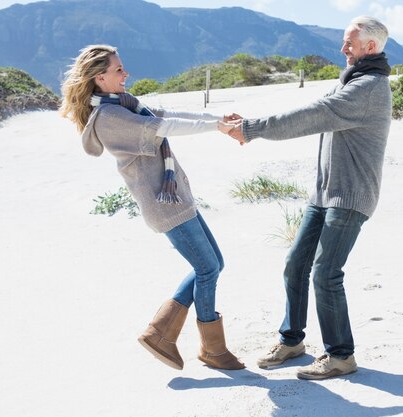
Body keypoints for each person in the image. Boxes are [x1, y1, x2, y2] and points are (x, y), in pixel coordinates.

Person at [226, 16, 392, 380]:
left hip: (349, 196)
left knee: (325, 274)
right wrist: (250, 122)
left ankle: (340, 356)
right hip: (325, 193)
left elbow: (313, 115)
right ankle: (292, 341)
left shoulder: (370, 88)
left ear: (371, 47)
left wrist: (251, 130)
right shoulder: (352, 79)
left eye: (349, 43)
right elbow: (313, 110)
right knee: (295, 265)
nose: (342, 49)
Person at [60, 44, 244, 371]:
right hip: (164, 205)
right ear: (99, 77)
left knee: (214, 263)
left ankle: (162, 332)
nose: (125, 73)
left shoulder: (127, 104)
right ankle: (210, 349)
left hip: (177, 198)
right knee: (207, 269)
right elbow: (165, 128)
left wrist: (220, 120)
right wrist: (219, 127)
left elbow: (169, 116)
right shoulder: (110, 117)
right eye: (118, 70)